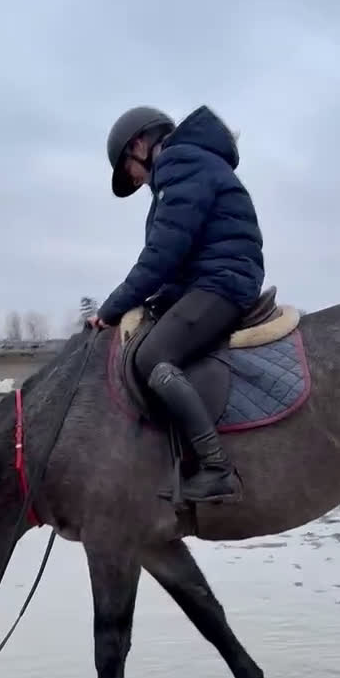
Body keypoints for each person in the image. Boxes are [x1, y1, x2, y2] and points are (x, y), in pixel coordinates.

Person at [90, 104, 265, 503]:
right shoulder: (186, 165)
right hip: (211, 278)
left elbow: (162, 254)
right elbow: (177, 257)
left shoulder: (180, 162)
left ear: (138, 144)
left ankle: (216, 467)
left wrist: (111, 308)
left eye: (128, 169)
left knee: (150, 357)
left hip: (222, 282)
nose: (134, 180)